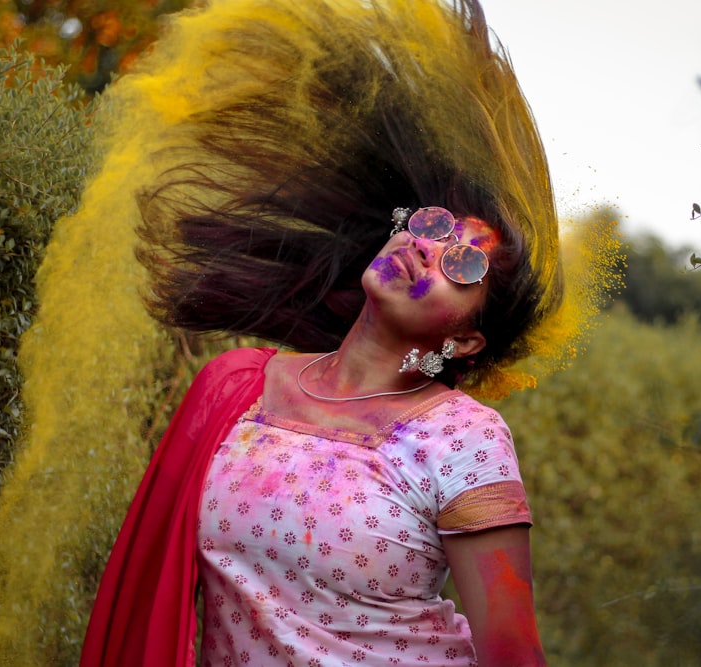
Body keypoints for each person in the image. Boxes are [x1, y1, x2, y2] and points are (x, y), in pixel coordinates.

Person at [80, 0, 567, 665]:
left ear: (468, 338)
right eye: (428, 226)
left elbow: (513, 651)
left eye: (462, 263)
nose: (428, 249)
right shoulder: (238, 387)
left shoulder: (464, 437)